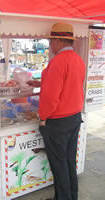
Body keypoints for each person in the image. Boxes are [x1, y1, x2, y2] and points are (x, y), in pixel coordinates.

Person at [27, 22, 85, 200]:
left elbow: (51, 98)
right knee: (68, 162)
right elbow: (69, 85)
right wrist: (39, 83)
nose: (50, 45)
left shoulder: (57, 62)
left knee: (59, 165)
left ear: (59, 41)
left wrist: (42, 118)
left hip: (58, 122)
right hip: (74, 118)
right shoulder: (78, 60)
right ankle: (70, 196)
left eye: (51, 41)